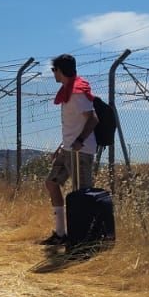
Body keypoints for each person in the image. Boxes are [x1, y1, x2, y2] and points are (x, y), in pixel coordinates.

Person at [43, 54, 98, 246]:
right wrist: (62, 146)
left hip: (80, 151)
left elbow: (93, 119)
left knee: (82, 193)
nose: (53, 74)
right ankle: (60, 233)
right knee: (51, 183)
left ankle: (85, 238)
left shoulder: (77, 93)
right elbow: (74, 124)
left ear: (60, 70)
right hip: (68, 149)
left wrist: (80, 140)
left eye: (54, 70)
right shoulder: (68, 91)